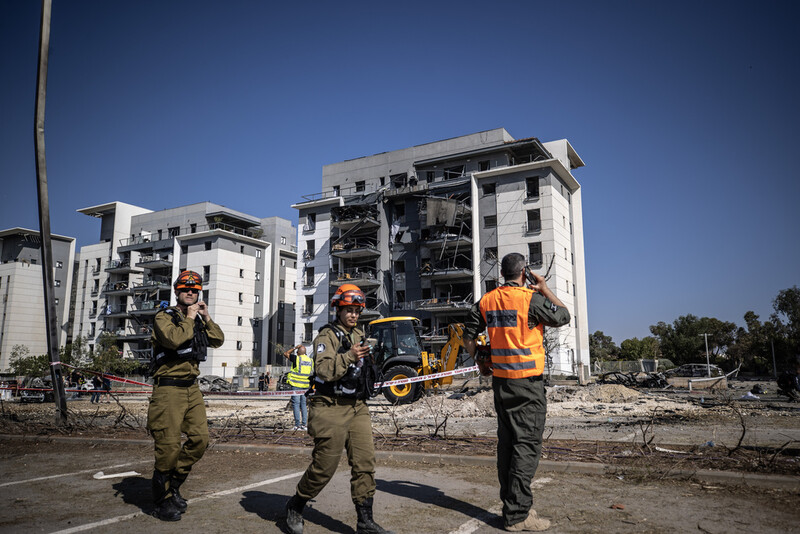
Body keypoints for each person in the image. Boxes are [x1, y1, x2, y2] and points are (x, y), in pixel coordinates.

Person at [464, 253, 571, 532]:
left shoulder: (487, 301)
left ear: (502, 274)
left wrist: (480, 361)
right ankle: (519, 515)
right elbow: (563, 315)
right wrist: (544, 288)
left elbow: (468, 334)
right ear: (525, 272)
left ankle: (511, 507)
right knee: (526, 446)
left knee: (508, 446)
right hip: (527, 386)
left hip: (501, 384)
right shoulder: (531, 299)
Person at [284, 284, 392, 534]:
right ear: (338, 310)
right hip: (330, 407)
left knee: (365, 463)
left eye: (357, 310)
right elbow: (323, 370)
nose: (353, 315)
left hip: (357, 407)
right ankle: (296, 504)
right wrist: (350, 356)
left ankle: (365, 522)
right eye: (348, 310)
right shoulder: (326, 336)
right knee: (324, 467)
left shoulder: (359, 335)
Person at [146, 270, 224, 521]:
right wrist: (190, 318)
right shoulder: (164, 317)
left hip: (192, 388)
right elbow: (173, 339)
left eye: (194, 290)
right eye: (185, 289)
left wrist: (206, 317)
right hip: (168, 389)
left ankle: (174, 484)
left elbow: (218, 340)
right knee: (168, 446)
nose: (190, 292)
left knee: (200, 439)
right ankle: (161, 500)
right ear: (176, 291)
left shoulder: (198, 319)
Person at [283, 344, 313, 430]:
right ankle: (304, 425)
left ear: (298, 353)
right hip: (305, 386)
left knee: (296, 404)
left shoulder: (297, 358)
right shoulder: (310, 360)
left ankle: (297, 425)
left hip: (296, 385)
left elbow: (286, 353)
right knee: (303, 405)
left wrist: (294, 348)